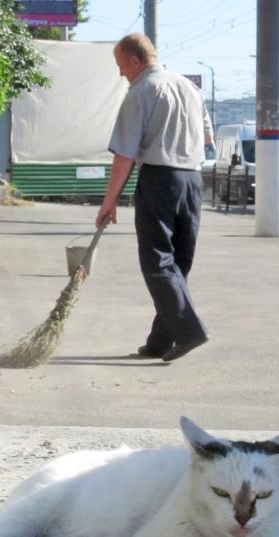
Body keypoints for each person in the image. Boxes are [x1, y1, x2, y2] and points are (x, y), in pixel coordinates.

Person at [96, 33, 214, 362]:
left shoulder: (141, 91)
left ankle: (190, 331)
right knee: (177, 264)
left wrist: (109, 202)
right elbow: (206, 138)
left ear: (135, 61)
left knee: (157, 262)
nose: (120, 73)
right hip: (192, 180)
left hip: (160, 179)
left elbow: (125, 155)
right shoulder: (190, 88)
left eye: (120, 66)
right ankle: (161, 342)